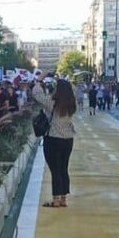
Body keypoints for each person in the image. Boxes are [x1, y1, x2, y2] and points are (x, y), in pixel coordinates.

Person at [33, 78, 76, 207]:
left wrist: (39, 80)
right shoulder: (72, 104)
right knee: (64, 168)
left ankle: (56, 199)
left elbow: (36, 94)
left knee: (55, 169)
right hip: (68, 139)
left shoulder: (52, 103)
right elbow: (73, 88)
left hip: (53, 138)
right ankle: (63, 198)